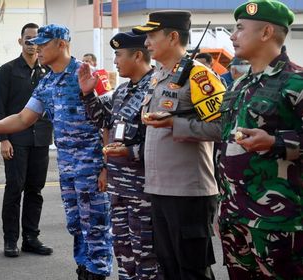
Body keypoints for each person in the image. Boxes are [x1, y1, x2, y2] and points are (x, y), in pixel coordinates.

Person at [0, 24, 113, 280]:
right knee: (77, 224)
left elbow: (109, 122)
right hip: (67, 167)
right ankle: (83, 269)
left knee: (95, 225)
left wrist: (107, 167)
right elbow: (23, 119)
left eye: (43, 44)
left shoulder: (89, 74)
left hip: (92, 166)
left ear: (61, 44)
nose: (37, 48)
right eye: (35, 44)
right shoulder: (48, 81)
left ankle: (97, 273)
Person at [133, 10, 226, 279]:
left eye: (151, 36)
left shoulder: (199, 76)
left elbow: (222, 127)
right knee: (168, 266)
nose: (147, 43)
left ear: (173, 37)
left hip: (189, 192)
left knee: (192, 270)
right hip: (160, 188)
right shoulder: (158, 75)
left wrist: (175, 124)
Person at [217, 1, 303, 279]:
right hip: (235, 217)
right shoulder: (240, 85)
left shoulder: (296, 82)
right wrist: (224, 209)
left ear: (266, 32)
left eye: (240, 29)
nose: (232, 35)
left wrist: (276, 143)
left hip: (279, 223)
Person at [79, 32, 161, 279]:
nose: (114, 61)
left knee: (146, 253)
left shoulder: (156, 87)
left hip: (143, 189)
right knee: (124, 250)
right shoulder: (123, 90)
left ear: (138, 55)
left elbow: (160, 141)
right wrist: (87, 94)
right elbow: (103, 120)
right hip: (119, 188)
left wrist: (130, 151)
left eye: (118, 54)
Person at [0, 22, 53, 258]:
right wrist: (3, 139)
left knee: (35, 191)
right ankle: (10, 240)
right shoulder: (6, 71)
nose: (32, 44)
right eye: (28, 39)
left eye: (36, 40)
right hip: (16, 140)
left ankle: (31, 238)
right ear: (20, 41)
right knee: (14, 189)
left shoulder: (47, 72)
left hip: (41, 140)